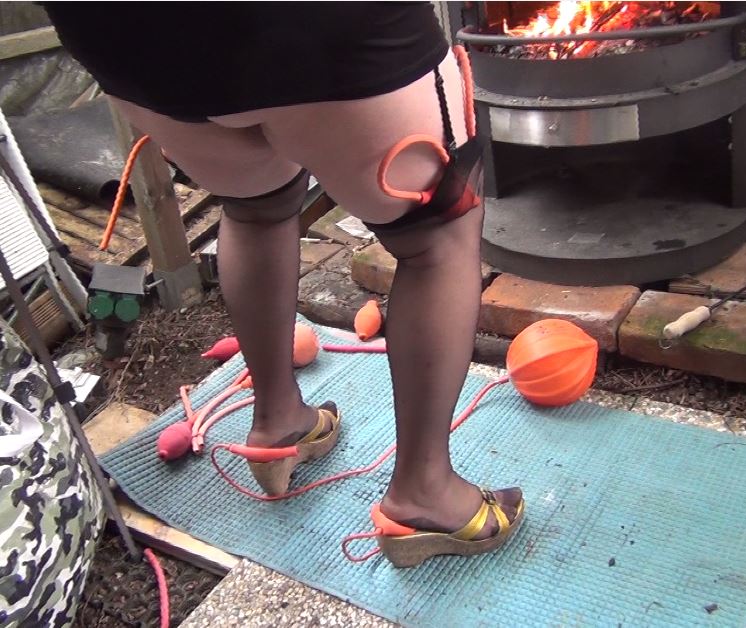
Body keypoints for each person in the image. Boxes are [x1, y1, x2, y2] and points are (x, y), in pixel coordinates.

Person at [44, 2, 523, 566]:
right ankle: (425, 493)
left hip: (119, 28)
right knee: (437, 237)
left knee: (254, 206)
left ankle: (278, 424)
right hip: (314, 21)